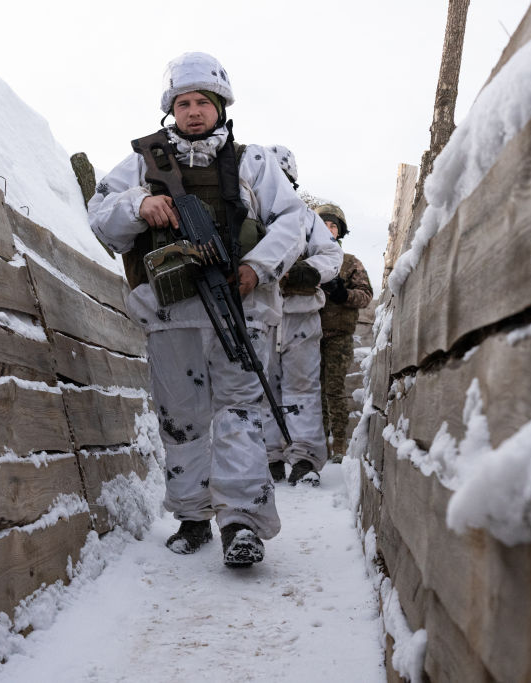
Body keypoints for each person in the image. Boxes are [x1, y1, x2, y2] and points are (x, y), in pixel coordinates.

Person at [87, 52, 305, 567]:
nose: (192, 112)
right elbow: (100, 216)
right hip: (170, 313)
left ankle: (241, 524)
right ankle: (191, 516)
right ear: (171, 110)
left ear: (220, 105)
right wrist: (139, 206)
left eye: (202, 102)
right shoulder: (143, 163)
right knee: (181, 418)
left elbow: (293, 221)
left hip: (239, 309)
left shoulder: (253, 162)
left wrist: (257, 267)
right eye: (182, 103)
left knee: (240, 414)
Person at [262, 146, 343, 487]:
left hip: (300, 313)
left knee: (302, 388)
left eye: (285, 176)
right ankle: (270, 457)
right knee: (262, 386)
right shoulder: (247, 213)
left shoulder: (307, 219)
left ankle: (306, 459)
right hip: (259, 314)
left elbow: (331, 254)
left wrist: (308, 271)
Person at [316, 203, 373, 463]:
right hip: (307, 335)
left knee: (335, 390)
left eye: (333, 226)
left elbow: (366, 296)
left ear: (340, 232)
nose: (328, 230)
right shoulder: (306, 257)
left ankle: (338, 445)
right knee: (312, 391)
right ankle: (317, 445)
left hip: (338, 335)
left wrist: (343, 294)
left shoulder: (349, 263)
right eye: (324, 225)